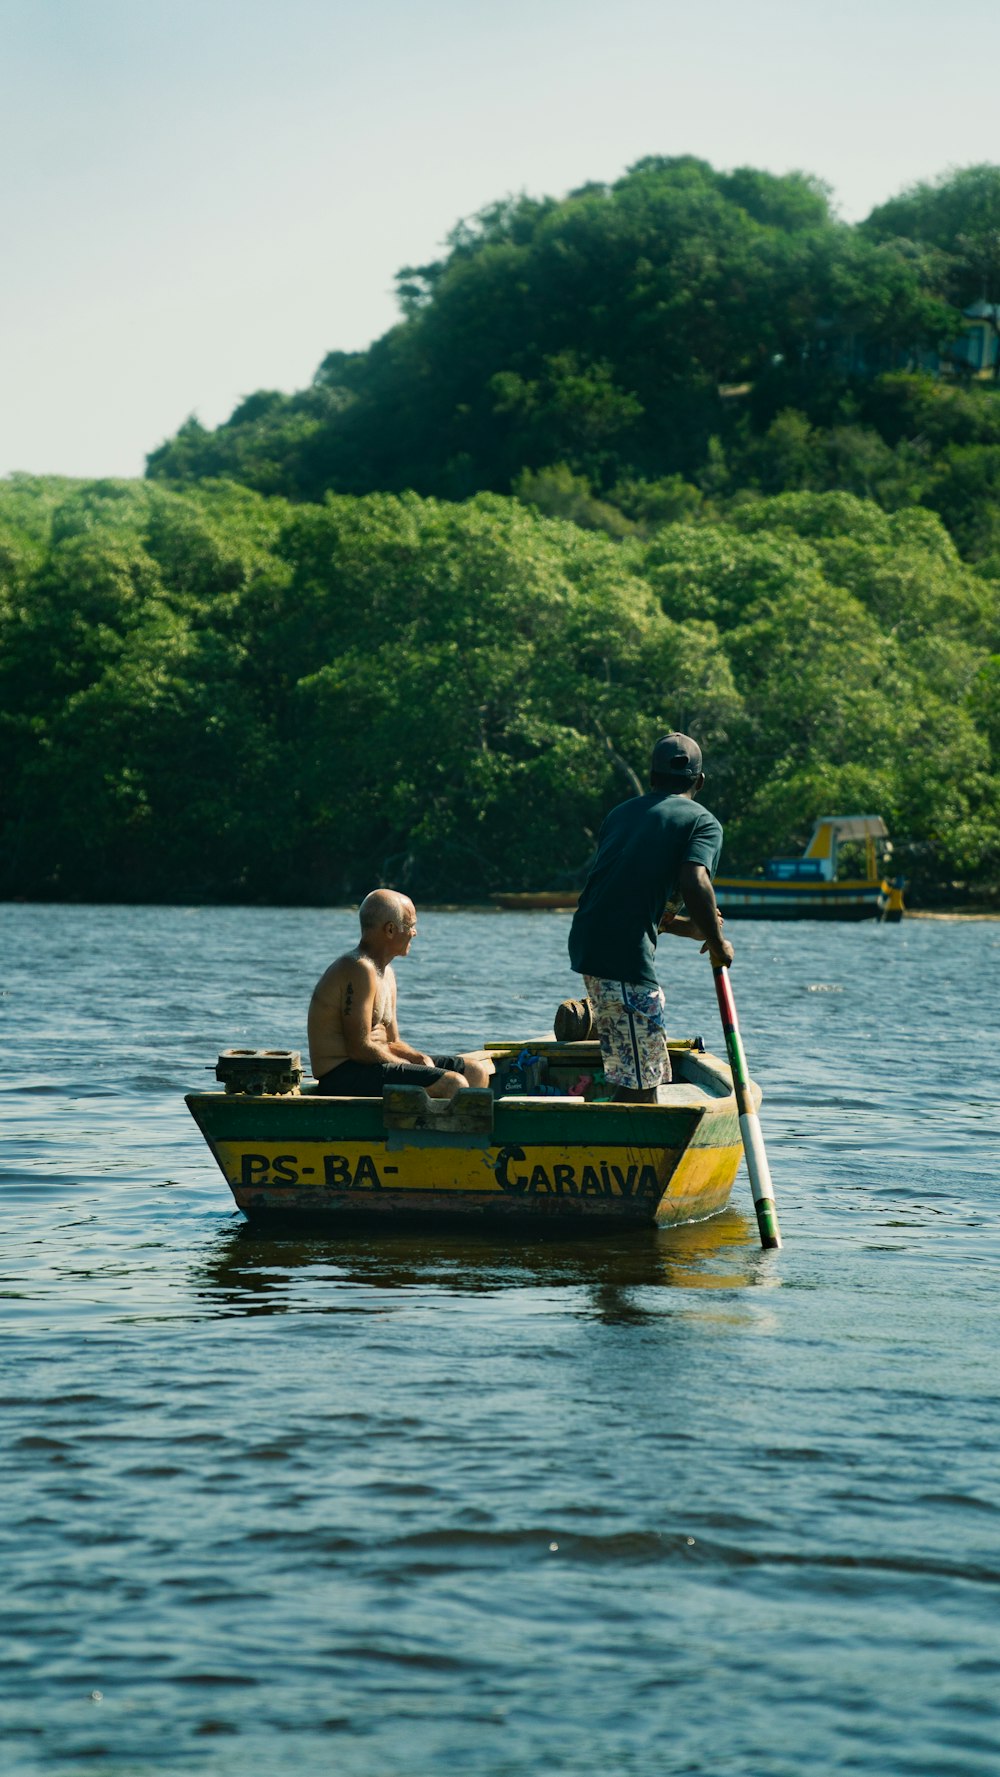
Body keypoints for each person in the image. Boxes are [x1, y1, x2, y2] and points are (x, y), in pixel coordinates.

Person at [567, 732, 734, 1104]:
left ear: (652, 776)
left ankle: (619, 1138)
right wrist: (717, 943)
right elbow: (695, 878)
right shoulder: (702, 823)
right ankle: (631, 1153)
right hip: (623, 957)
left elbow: (623, 895)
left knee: (633, 1068)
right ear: (700, 781)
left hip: (589, 944)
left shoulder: (621, 814)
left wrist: (689, 928)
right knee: (641, 1080)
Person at [308, 889, 493, 1098]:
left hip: (373, 1064)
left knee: (475, 1071)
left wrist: (417, 1057)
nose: (415, 932)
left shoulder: (387, 973)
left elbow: (392, 1041)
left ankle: (440, 1129)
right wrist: (407, 1065)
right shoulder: (358, 969)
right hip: (342, 1075)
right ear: (390, 930)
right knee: (453, 1083)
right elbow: (358, 1049)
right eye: (411, 925)